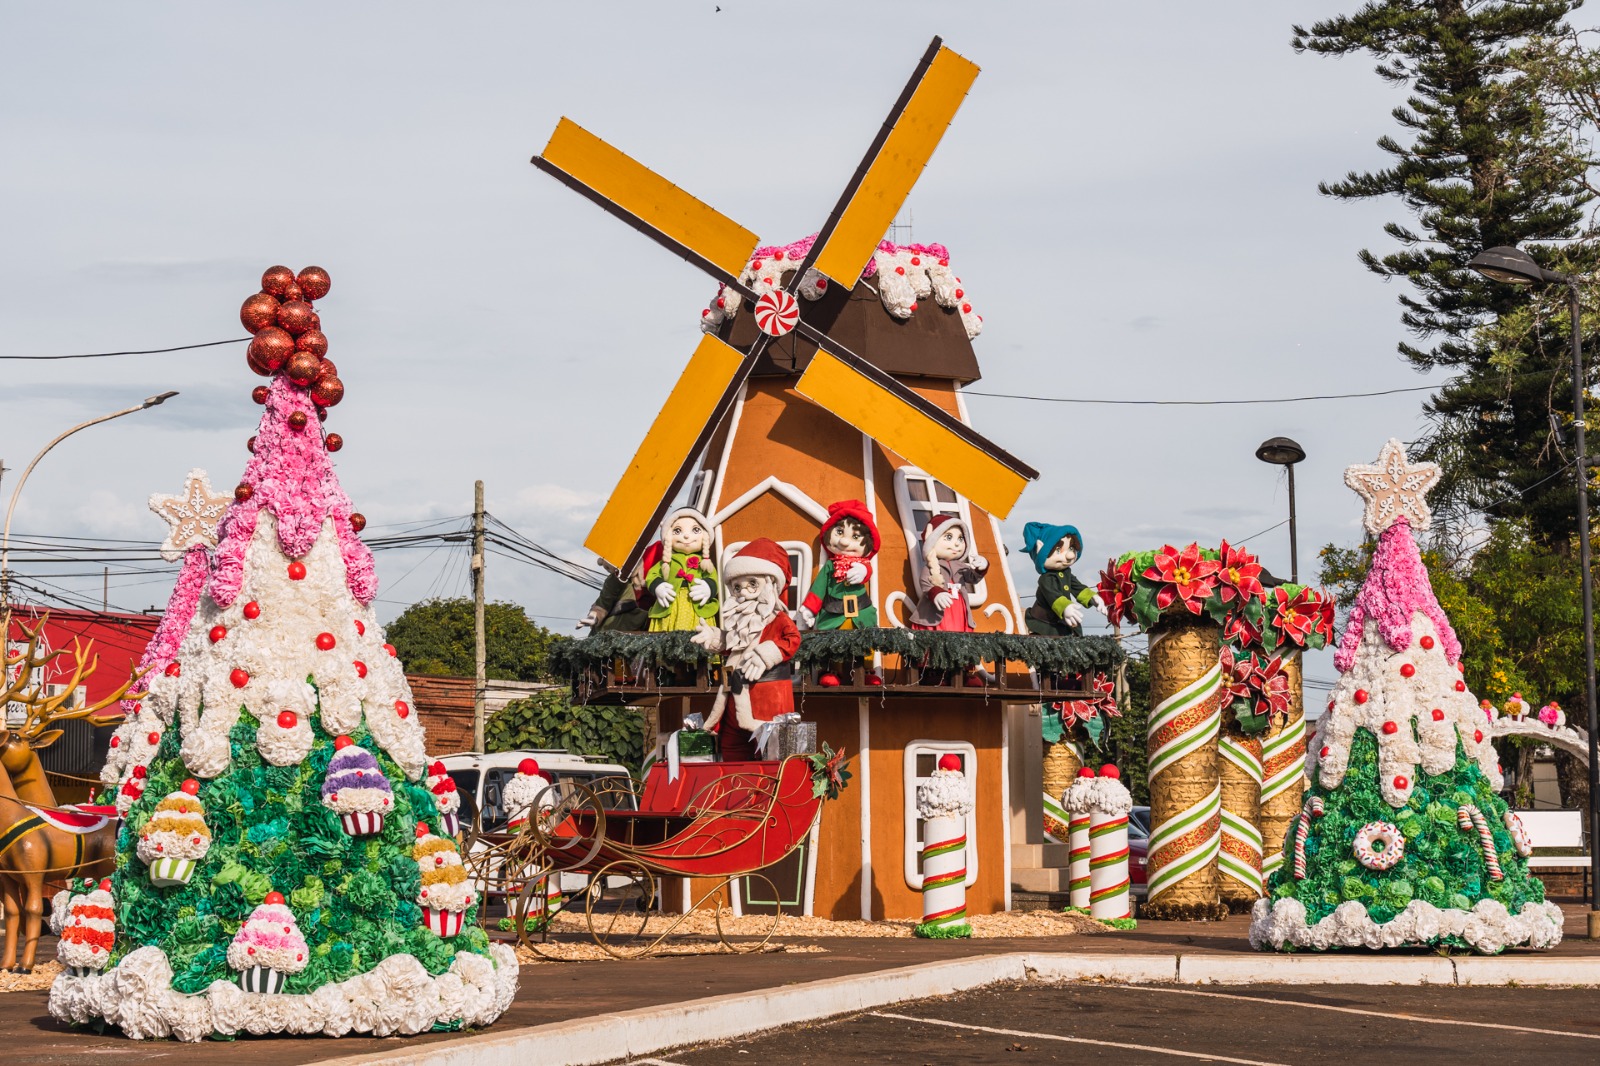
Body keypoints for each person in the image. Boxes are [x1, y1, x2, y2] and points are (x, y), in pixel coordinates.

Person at [691, 538, 801, 761]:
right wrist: (715, 638)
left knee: (771, 759)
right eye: (737, 586)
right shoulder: (737, 620)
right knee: (732, 753)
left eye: (752, 583)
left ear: (770, 584)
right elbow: (733, 645)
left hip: (767, 700)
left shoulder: (777, 618)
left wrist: (765, 654)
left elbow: (792, 639)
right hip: (734, 698)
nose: (744, 592)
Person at [1020, 522, 1104, 637]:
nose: (1070, 555)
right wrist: (1065, 607)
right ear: (1040, 549)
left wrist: (1093, 598)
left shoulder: (1066, 573)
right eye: (1059, 550)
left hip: (1062, 622)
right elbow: (1052, 595)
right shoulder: (1046, 578)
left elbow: (1078, 587)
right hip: (1045, 624)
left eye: (1071, 548)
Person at [644, 507, 720, 632]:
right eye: (677, 530)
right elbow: (652, 575)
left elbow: (713, 577)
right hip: (670, 609)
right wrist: (658, 586)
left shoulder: (704, 563)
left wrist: (708, 587)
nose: (686, 536)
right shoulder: (667, 561)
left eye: (695, 530)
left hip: (696, 609)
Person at [909, 514, 988, 631]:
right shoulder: (932, 565)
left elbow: (972, 578)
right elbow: (925, 582)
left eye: (960, 538)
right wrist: (936, 593)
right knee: (941, 629)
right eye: (949, 537)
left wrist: (981, 567)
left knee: (958, 629)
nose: (957, 543)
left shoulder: (960, 566)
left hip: (958, 607)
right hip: (939, 610)